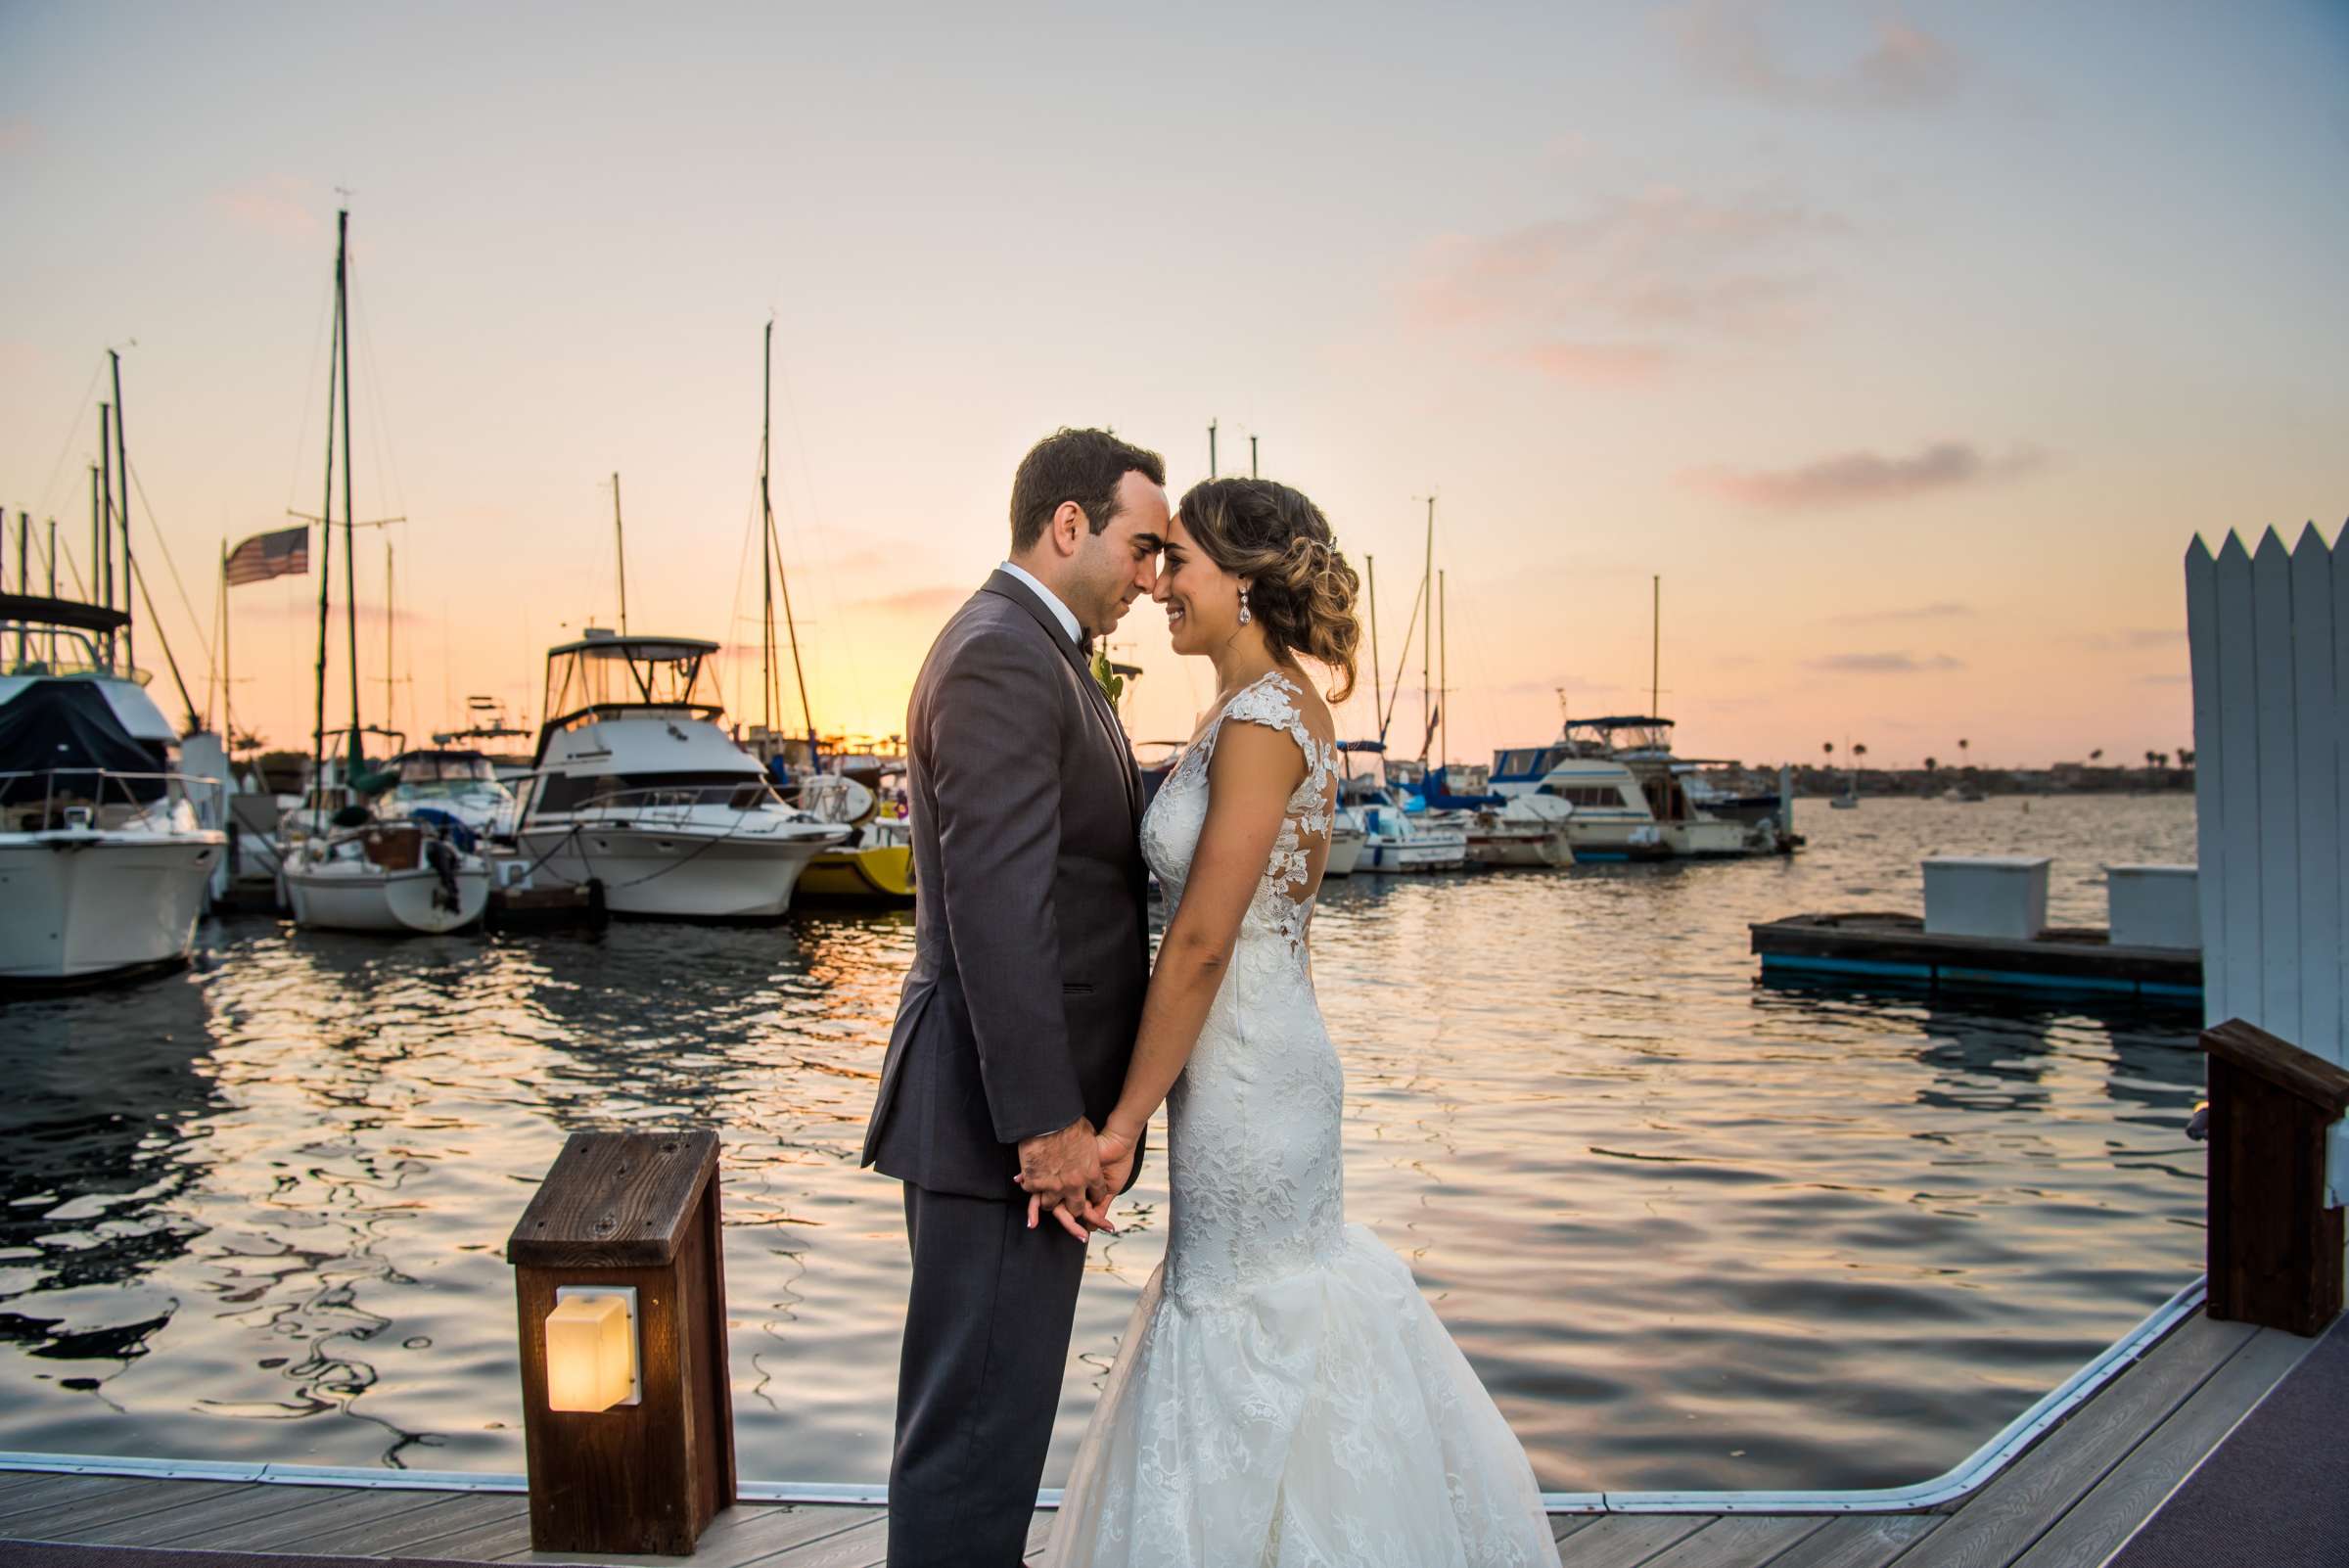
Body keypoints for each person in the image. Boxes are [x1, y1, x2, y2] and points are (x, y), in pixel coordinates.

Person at [1036, 478, 1560, 1567]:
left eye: (1179, 562)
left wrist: (1122, 1122)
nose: (1161, 582)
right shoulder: (1240, 715)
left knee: (1243, 1312)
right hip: (1240, 1065)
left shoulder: (1270, 721)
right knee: (1238, 1308)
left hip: (1253, 1071)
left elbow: (1202, 942)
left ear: (1246, 580)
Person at [860, 427, 1169, 1568]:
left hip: (1006, 1118)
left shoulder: (1041, 653)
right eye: (1141, 547)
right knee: (973, 1441)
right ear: (1070, 524)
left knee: (991, 1429)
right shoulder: (1000, 653)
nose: (1150, 576)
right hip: (1000, 1125)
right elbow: (998, 908)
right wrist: (1046, 1125)